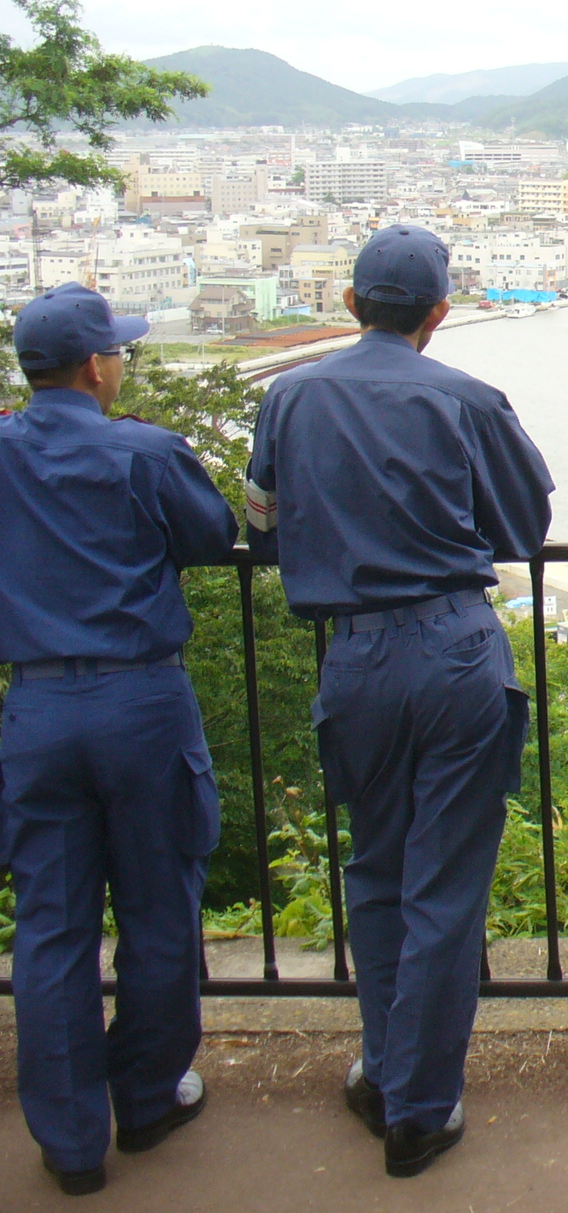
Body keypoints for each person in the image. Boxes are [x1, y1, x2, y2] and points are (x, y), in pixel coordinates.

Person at [245, 226, 554, 1178]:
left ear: (350, 304)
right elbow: (525, 527)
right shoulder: (468, 399)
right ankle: (421, 1110)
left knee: (375, 870)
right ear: (439, 313)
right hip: (455, 648)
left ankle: (383, 1073)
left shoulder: (289, 397)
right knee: (444, 888)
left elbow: (261, 526)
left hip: (356, 655)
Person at [0, 283, 239, 1196]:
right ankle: (145, 1099)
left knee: (51, 923)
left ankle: (69, 1143)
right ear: (97, 368)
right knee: (157, 906)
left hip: (37, 706)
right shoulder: (142, 451)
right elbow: (213, 537)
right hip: (140, 700)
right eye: (120, 354)